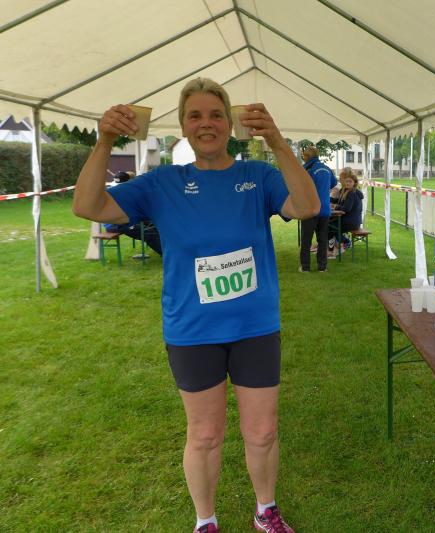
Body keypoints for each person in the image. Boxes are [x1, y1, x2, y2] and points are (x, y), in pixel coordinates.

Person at [72, 77, 320, 533]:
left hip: (254, 328)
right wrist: (105, 141)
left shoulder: (257, 176)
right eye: (195, 116)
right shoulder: (163, 183)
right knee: (204, 435)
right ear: (184, 126)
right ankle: (206, 521)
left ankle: (266, 510)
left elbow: (307, 206)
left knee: (263, 431)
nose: (206, 124)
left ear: (230, 122)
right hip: (192, 331)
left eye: (216, 114)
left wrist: (277, 141)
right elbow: (88, 206)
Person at [104, 172, 163, 255]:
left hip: (126, 220)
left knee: (155, 225)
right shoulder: (112, 194)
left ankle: (171, 251)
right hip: (116, 224)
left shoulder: (119, 191)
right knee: (149, 234)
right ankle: (168, 255)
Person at [299, 145, 337, 272]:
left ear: (307, 157)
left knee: (306, 240)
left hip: (310, 209)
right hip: (325, 209)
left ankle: (305, 267)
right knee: (322, 239)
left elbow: (300, 186)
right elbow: (333, 183)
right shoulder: (326, 168)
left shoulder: (307, 169)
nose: (303, 158)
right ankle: (322, 267)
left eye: (304, 156)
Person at [328, 167, 363, 255]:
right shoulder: (344, 190)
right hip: (348, 220)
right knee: (328, 224)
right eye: (346, 181)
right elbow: (339, 202)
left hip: (352, 222)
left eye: (350, 182)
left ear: (354, 183)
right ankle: (331, 249)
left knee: (330, 227)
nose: (347, 183)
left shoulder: (352, 193)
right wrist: (328, 200)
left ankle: (346, 242)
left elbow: (347, 209)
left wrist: (335, 207)